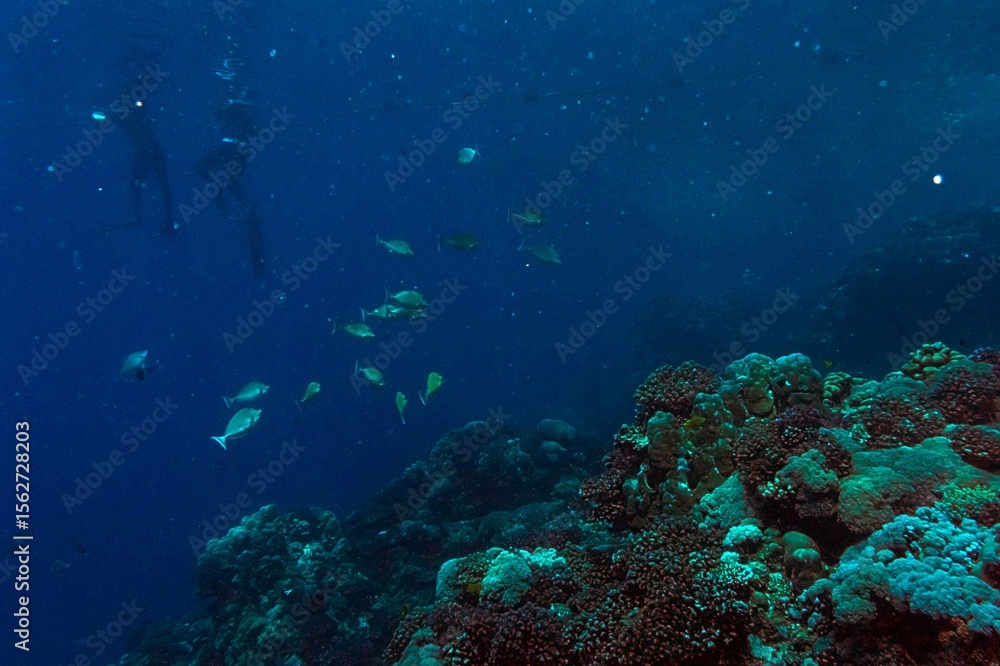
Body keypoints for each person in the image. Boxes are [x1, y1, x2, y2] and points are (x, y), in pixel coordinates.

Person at [121, 91, 176, 235]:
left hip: (147, 152)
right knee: (161, 186)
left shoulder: (132, 114)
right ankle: (165, 219)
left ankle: (141, 218)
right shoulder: (129, 114)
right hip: (151, 151)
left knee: (144, 185)